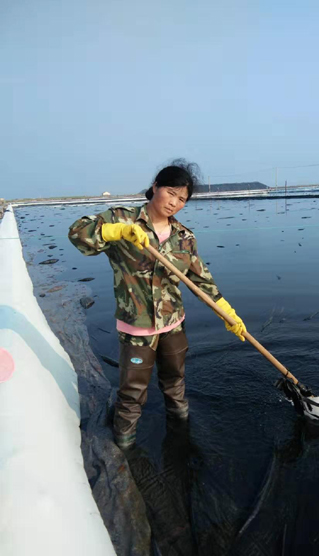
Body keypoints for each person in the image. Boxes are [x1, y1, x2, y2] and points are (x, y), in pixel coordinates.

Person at [68, 160, 246, 449]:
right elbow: (77, 233)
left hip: (173, 324)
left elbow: (201, 280)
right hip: (136, 327)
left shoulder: (184, 237)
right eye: (171, 193)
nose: (174, 203)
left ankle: (181, 436)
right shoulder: (122, 218)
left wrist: (227, 313)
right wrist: (116, 232)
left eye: (182, 199)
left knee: (175, 383)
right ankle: (125, 449)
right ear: (155, 187)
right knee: (132, 393)